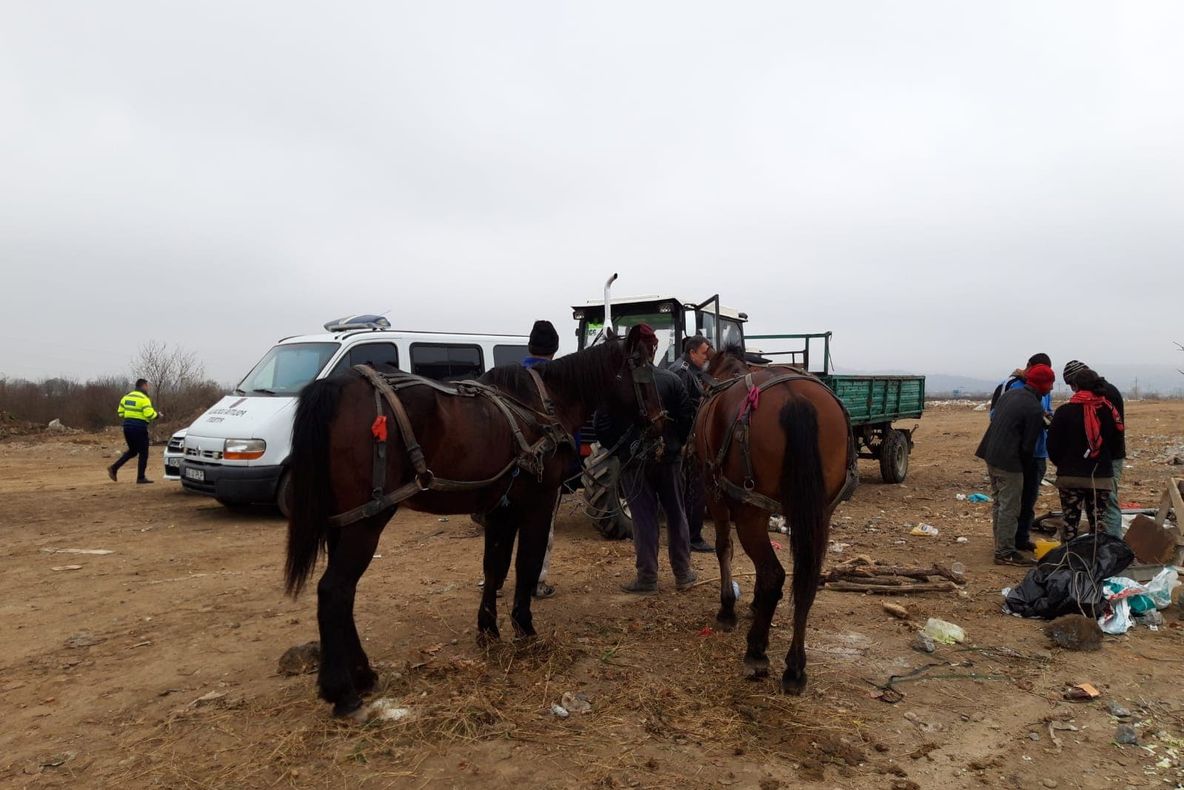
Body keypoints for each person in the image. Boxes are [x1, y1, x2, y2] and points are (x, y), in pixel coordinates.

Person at [596, 324, 697, 593]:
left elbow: (602, 426)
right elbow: (688, 419)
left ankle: (647, 578)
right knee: (676, 515)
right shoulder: (672, 381)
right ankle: (683, 573)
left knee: (643, 518)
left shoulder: (616, 385)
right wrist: (675, 446)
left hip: (633, 464)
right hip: (669, 461)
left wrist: (624, 451)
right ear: (654, 348)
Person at [974, 364, 1055, 566]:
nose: (1052, 389)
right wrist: (1027, 471)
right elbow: (1028, 447)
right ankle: (1005, 552)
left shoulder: (1011, 395)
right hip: (1009, 461)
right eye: (1050, 384)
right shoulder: (1034, 408)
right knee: (1010, 506)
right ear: (1042, 385)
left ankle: (1001, 544)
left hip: (991, 455)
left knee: (1000, 503)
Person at [1047, 368, 1124, 540]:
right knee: (1098, 527)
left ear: (1076, 386)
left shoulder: (1064, 411)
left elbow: (1052, 445)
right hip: (1100, 477)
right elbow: (1115, 442)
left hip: (1070, 476)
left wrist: (1063, 463)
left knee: (1069, 525)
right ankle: (1098, 561)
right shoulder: (1109, 411)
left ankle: (1068, 561)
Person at [667, 335, 714, 552]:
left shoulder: (691, 371)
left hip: (689, 438)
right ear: (692, 352)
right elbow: (682, 411)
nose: (707, 357)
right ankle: (692, 537)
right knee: (693, 489)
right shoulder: (682, 372)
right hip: (685, 439)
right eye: (705, 353)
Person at [107, 378, 160, 484]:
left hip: (127, 428)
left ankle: (114, 468)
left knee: (133, 451)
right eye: (147, 386)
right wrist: (158, 415)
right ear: (143, 386)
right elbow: (149, 414)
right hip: (139, 428)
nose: (148, 388)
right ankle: (140, 477)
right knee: (144, 452)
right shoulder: (144, 399)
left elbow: (121, 413)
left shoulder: (126, 397)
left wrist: (130, 415)